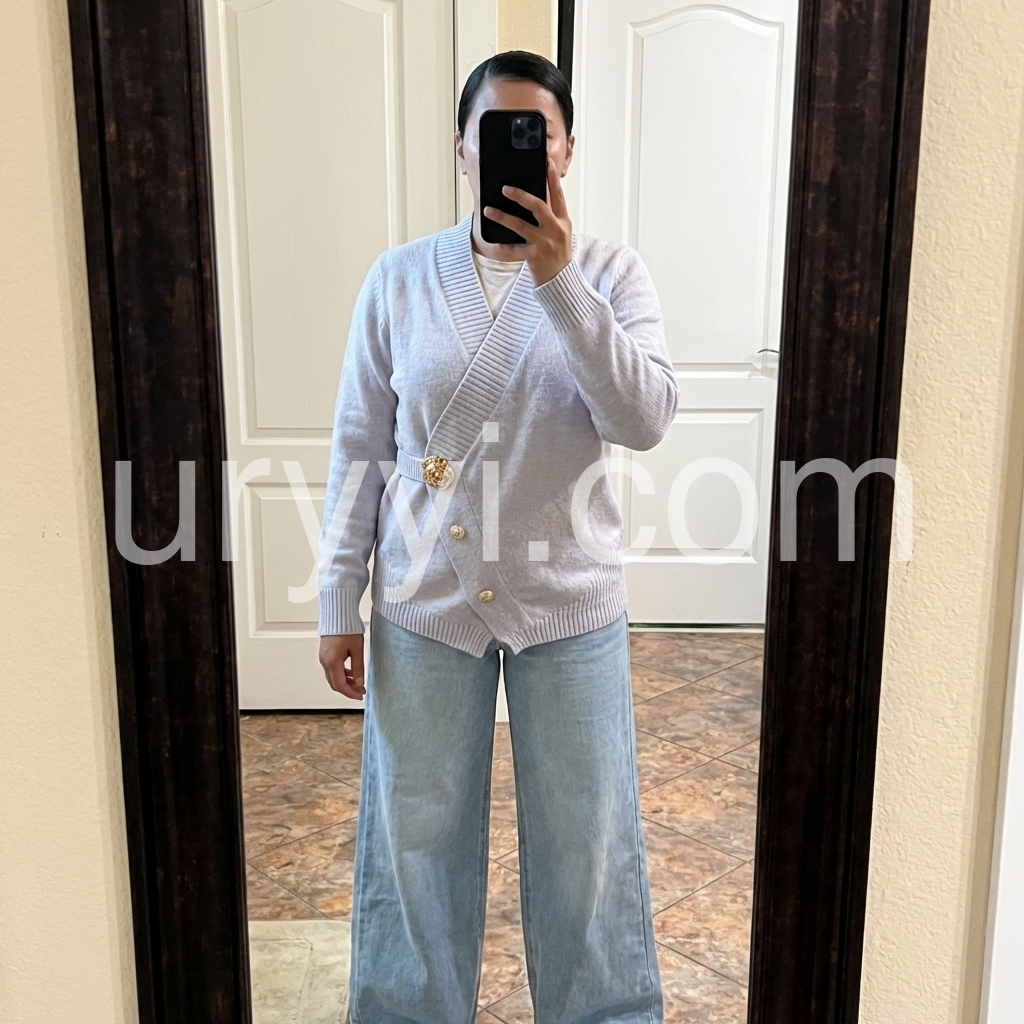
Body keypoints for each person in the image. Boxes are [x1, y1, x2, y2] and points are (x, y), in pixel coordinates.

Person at [317, 50, 677, 1024]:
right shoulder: (397, 280)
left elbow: (644, 418)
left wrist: (561, 285)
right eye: (495, 131)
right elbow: (360, 448)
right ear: (462, 149)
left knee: (587, 844)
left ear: (565, 151)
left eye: (537, 133)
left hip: (570, 605)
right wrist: (336, 596)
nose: (517, 149)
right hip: (425, 602)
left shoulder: (610, 274)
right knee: (414, 840)